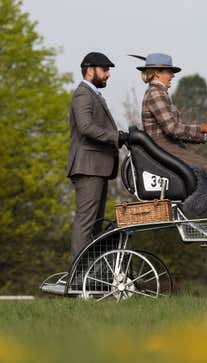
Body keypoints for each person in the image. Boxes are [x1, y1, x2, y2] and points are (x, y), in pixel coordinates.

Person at [136, 53, 207, 215]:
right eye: (169, 72)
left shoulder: (158, 93)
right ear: (157, 73)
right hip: (164, 148)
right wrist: (204, 128)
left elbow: (177, 131)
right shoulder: (156, 93)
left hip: (169, 146)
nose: (172, 75)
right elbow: (172, 129)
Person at [67, 52, 128, 261]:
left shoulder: (93, 94)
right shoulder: (83, 94)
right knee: (86, 222)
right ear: (90, 70)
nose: (108, 75)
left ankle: (88, 277)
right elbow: (86, 127)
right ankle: (77, 277)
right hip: (88, 167)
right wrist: (116, 137)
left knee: (94, 224)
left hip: (97, 167)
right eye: (105, 70)